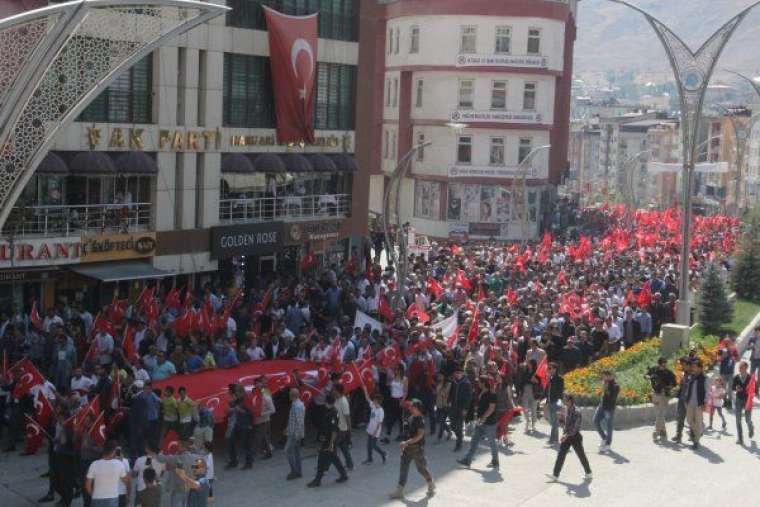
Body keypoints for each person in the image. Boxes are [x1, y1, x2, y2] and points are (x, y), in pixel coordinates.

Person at [390, 399, 435, 499]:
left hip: (417, 449)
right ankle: (399, 491)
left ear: (418, 408)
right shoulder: (411, 417)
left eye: (412, 406)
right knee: (403, 469)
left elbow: (419, 436)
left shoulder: (420, 420)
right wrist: (404, 443)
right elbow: (407, 431)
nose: (410, 408)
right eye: (410, 406)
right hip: (407, 449)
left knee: (421, 469)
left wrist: (406, 442)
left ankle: (430, 483)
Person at [457, 376, 499, 469]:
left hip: (490, 423)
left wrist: (483, 417)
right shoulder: (481, 392)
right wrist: (478, 417)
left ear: (484, 383)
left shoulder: (492, 394)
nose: (478, 383)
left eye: (479, 382)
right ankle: (468, 460)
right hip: (481, 421)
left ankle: (495, 461)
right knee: (474, 441)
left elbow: (491, 408)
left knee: (492, 442)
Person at [307, 395, 348, 487]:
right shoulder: (330, 411)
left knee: (322, 458)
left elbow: (334, 430)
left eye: (325, 402)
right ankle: (344, 475)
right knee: (334, 458)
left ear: (328, 402)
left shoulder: (333, 413)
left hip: (330, 440)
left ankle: (317, 480)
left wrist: (331, 444)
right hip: (328, 438)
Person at [550, 394, 592, 481]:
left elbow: (575, 427)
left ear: (570, 401)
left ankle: (588, 473)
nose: (563, 402)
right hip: (567, 436)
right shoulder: (566, 409)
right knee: (561, 455)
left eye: (565, 400)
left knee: (581, 455)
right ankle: (555, 475)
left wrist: (566, 435)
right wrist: (560, 419)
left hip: (575, 437)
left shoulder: (577, 411)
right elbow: (565, 425)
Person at [85, 440, 128, 507]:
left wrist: (93, 495)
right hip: (112, 498)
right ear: (114, 451)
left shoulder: (94, 464)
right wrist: (121, 461)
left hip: (97, 498)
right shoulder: (119, 464)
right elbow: (126, 481)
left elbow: (88, 485)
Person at [646, 357, 676, 441]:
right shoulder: (654, 370)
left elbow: (674, 383)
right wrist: (649, 377)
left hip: (664, 394)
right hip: (655, 393)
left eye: (665, 364)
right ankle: (663, 431)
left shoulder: (668, 372)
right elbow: (646, 375)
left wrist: (668, 387)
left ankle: (656, 432)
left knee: (660, 413)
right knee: (658, 413)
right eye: (663, 364)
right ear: (659, 364)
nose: (664, 366)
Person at [593, 370, 619, 452]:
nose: (603, 378)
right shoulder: (605, 383)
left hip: (609, 409)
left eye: (604, 376)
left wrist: (606, 389)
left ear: (609, 376)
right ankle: (604, 438)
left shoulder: (616, 386)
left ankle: (608, 444)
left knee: (608, 426)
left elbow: (612, 398)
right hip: (601, 406)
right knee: (595, 421)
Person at [448, 365, 472, 452]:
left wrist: (466, 408)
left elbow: (469, 397)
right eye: (456, 373)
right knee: (452, 424)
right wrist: (449, 401)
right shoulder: (454, 382)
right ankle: (460, 436)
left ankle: (459, 443)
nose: (457, 375)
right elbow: (451, 392)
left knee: (459, 424)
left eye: (458, 373)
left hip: (461, 407)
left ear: (462, 373)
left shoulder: (467, 383)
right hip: (453, 406)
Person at [685, 360, 706, 450]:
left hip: (698, 404)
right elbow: (688, 388)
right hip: (689, 402)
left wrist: (704, 403)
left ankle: (696, 441)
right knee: (689, 420)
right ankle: (699, 431)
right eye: (693, 367)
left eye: (696, 367)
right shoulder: (692, 377)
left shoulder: (705, 378)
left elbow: (708, 392)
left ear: (700, 368)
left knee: (697, 422)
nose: (694, 368)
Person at [733, 360, 755, 446]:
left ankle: (751, 427)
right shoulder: (736, 377)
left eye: (741, 367)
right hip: (738, 400)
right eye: (739, 367)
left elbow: (754, 390)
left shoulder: (750, 378)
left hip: (747, 400)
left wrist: (750, 391)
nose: (739, 368)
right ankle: (740, 438)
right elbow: (733, 387)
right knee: (738, 419)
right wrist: (736, 388)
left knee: (747, 420)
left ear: (746, 368)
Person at [285, 388, 305, 480]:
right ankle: (298, 471)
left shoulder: (296, 406)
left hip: (294, 434)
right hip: (294, 432)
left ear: (293, 395)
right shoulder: (298, 404)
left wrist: (298, 434)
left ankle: (294, 471)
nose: (289, 395)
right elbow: (294, 420)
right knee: (296, 452)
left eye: (290, 394)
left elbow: (299, 421)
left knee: (288, 451)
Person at [333, 383, 354, 470]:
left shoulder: (343, 402)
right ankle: (350, 464)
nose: (332, 391)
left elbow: (347, 417)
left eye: (334, 389)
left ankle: (325, 466)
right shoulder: (336, 400)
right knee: (343, 447)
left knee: (332, 447)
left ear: (338, 391)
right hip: (337, 427)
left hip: (342, 429)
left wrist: (349, 429)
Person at [362, 391, 386, 465]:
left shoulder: (381, 411)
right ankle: (369, 459)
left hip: (375, 431)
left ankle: (383, 453)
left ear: (378, 401)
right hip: (370, 429)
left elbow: (380, 423)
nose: (373, 401)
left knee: (373, 445)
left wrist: (375, 432)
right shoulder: (373, 406)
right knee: (368, 445)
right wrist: (365, 390)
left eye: (375, 400)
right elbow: (367, 399)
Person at [546, 362, 565, 445]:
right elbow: (548, 391)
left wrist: (551, 380)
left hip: (556, 402)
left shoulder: (559, 379)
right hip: (550, 401)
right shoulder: (550, 378)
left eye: (550, 368)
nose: (548, 370)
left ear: (555, 369)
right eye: (548, 368)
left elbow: (559, 391)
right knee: (552, 421)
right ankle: (555, 439)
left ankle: (553, 439)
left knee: (555, 421)